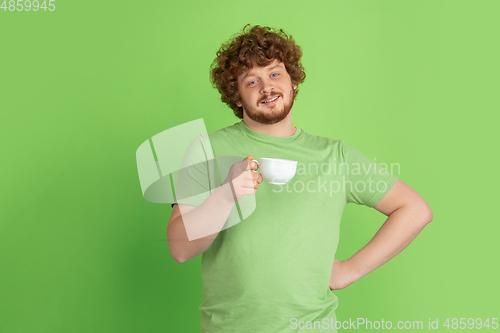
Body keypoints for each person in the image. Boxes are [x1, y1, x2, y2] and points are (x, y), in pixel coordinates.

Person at [166, 24, 433, 333]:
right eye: (252, 81)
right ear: (236, 97)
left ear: (293, 83)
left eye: (275, 74)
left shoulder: (335, 156)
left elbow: (415, 209)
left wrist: (349, 271)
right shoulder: (207, 149)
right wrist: (225, 195)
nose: (267, 87)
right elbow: (179, 248)